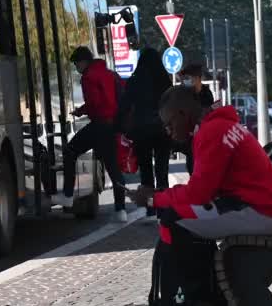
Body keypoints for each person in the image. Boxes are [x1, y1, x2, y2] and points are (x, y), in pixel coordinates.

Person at [130, 86, 272, 305]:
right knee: (182, 217)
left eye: (169, 124)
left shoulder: (211, 131)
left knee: (174, 220)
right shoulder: (221, 125)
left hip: (260, 211)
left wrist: (153, 199)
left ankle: (196, 298)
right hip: (264, 206)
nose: (168, 131)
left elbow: (198, 194)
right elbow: (203, 190)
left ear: (182, 114)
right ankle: (206, 292)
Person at [52, 47, 128, 222]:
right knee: (113, 167)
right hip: (111, 125)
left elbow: (94, 102)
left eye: (77, 62)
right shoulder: (109, 73)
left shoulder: (89, 77)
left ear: (84, 61)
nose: (76, 66)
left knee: (70, 151)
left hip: (99, 125)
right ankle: (121, 210)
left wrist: (82, 111)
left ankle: (68, 195)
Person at [118, 48, 172, 193]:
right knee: (162, 170)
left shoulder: (134, 80)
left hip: (141, 131)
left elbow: (124, 105)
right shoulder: (164, 80)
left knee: (145, 170)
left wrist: (121, 128)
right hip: (162, 130)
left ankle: (149, 205)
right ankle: (163, 204)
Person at [176, 63, 214, 174]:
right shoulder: (185, 93)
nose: (187, 80)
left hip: (203, 136)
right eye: (185, 78)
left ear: (198, 78)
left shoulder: (206, 93)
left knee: (202, 166)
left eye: (189, 77)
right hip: (189, 136)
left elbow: (208, 113)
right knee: (192, 165)